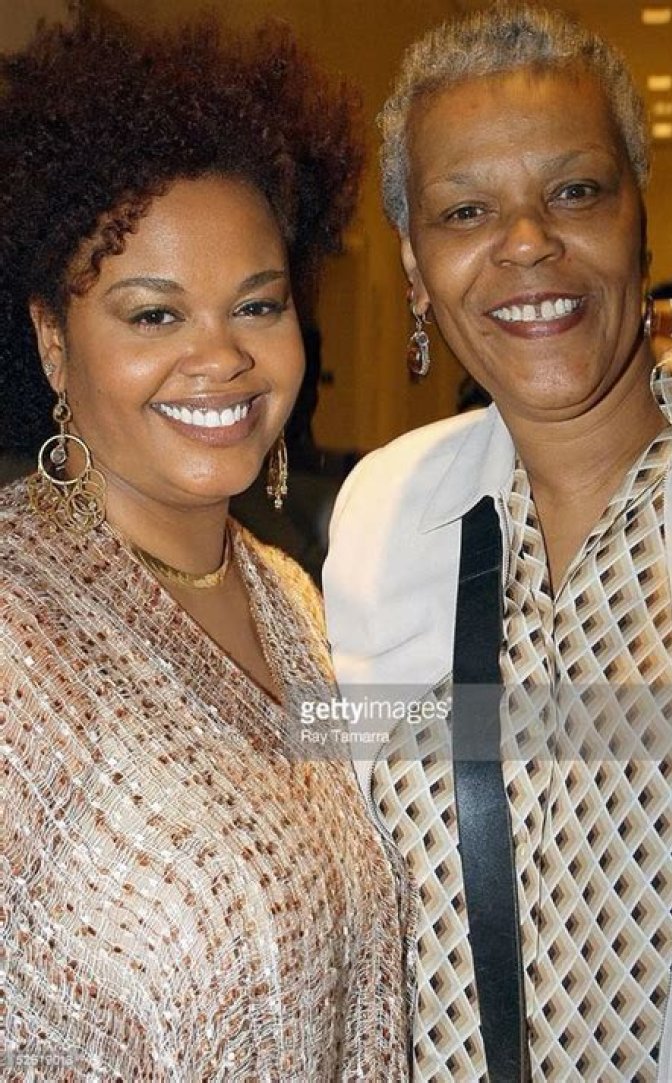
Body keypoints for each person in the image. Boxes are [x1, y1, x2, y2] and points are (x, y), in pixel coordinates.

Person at [1, 11, 415, 1078]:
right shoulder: (16, 634)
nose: (221, 359)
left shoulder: (291, 600)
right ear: (52, 339)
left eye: (256, 305)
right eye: (154, 316)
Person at [324, 3, 672, 1080]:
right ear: (417, 269)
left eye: (575, 191)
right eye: (466, 211)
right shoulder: (384, 512)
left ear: (638, 217)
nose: (528, 241)